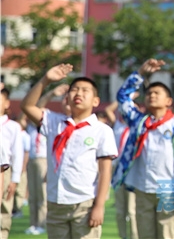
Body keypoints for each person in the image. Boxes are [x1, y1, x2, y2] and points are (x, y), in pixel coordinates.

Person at [20, 64, 118, 238]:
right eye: (74, 90)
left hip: (85, 203)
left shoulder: (102, 130)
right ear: (67, 98)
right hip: (56, 202)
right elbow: (27, 106)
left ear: (95, 101)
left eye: (85, 90)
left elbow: (105, 171)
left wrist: (99, 206)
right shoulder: (53, 122)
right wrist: (46, 80)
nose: (78, 93)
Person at [111, 58, 174, 239]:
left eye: (157, 93)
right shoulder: (139, 121)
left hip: (167, 190)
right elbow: (123, 97)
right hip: (142, 188)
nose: (151, 95)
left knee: (167, 235)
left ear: (169, 101)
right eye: (148, 93)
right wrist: (140, 74)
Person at [25, 83, 68, 235]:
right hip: (33, 160)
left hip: (44, 160)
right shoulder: (38, 122)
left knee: (43, 195)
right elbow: (35, 107)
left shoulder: (55, 122)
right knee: (33, 195)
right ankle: (33, 224)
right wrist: (51, 94)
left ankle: (41, 224)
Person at [105, 98, 138, 239]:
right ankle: (123, 236)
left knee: (131, 209)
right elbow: (108, 110)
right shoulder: (117, 125)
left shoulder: (136, 127)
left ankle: (134, 236)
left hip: (131, 168)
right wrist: (125, 99)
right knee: (120, 210)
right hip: (117, 169)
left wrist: (132, 103)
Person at [0, 86, 24, 239]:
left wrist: (15, 179)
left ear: (7, 103)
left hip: (5, 170)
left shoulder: (12, 127)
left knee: (4, 207)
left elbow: (17, 154)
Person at [12, 115, 30, 219]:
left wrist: (23, 165)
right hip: (12, 165)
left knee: (20, 188)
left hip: (20, 165)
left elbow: (26, 152)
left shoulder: (25, 136)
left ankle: (18, 209)